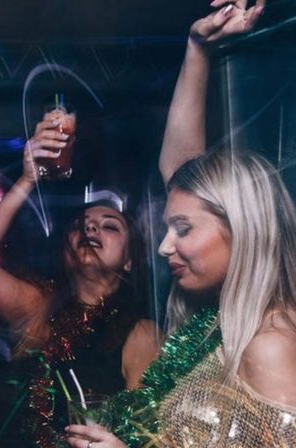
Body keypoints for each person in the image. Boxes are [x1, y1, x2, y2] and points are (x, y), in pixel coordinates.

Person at [65, 1, 296, 446]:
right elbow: (182, 170)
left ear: (243, 229)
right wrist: (197, 49)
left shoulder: (270, 343)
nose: (163, 247)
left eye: (183, 230)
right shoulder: (223, 320)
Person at [0, 124, 160, 445]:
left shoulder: (141, 332)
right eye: (81, 225)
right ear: (66, 255)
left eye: (110, 226)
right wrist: (26, 180)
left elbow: (142, 433)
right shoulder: (39, 309)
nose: (91, 228)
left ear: (130, 260)